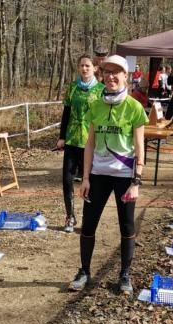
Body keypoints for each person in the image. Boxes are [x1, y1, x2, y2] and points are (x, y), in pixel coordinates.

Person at [70, 55, 148, 294]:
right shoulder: (96, 105)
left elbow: (140, 147)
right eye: (107, 72)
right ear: (102, 75)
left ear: (126, 75)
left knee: (126, 225)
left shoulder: (134, 107)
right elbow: (90, 144)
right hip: (98, 175)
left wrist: (136, 181)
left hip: (124, 176)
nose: (111, 76)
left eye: (116, 72)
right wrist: (85, 178)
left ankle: (125, 275)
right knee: (88, 225)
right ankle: (84, 271)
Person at [56, 54, 104, 232]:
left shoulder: (101, 90)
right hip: (72, 140)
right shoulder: (72, 87)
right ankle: (70, 217)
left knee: (90, 182)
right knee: (67, 180)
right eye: (82, 65)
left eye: (87, 66)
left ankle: (87, 220)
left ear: (95, 68)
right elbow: (66, 112)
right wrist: (62, 136)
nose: (84, 69)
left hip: (91, 142)